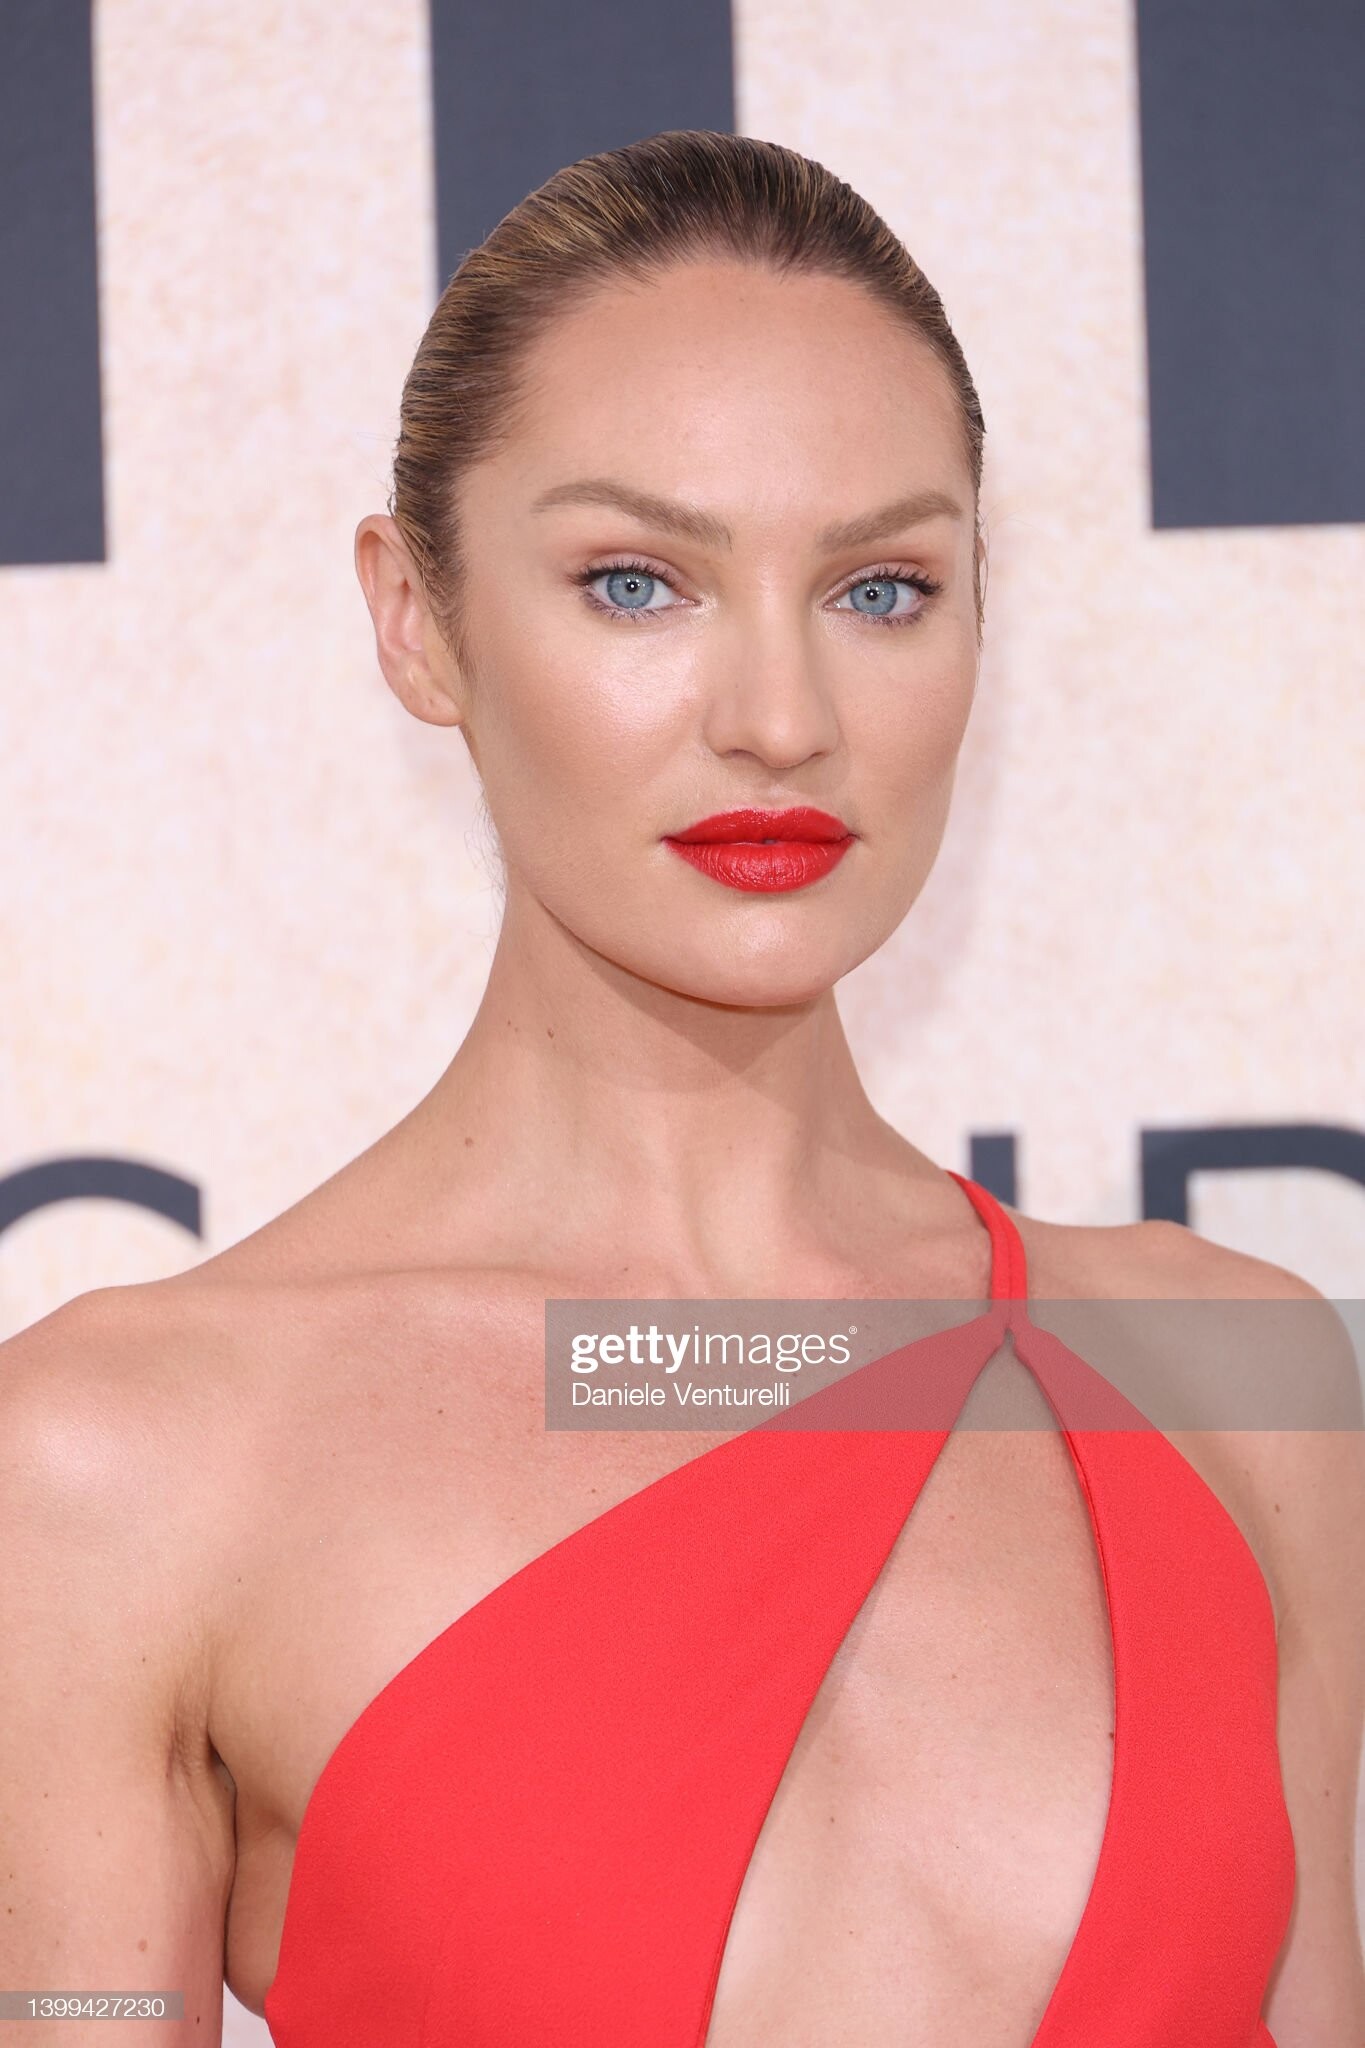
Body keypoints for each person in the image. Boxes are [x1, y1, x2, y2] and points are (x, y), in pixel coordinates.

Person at [2, 130, 1362, 2048]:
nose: (781, 719)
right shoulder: (122, 1462)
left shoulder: (1239, 1382)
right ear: (416, 618)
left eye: (880, 589)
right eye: (636, 582)